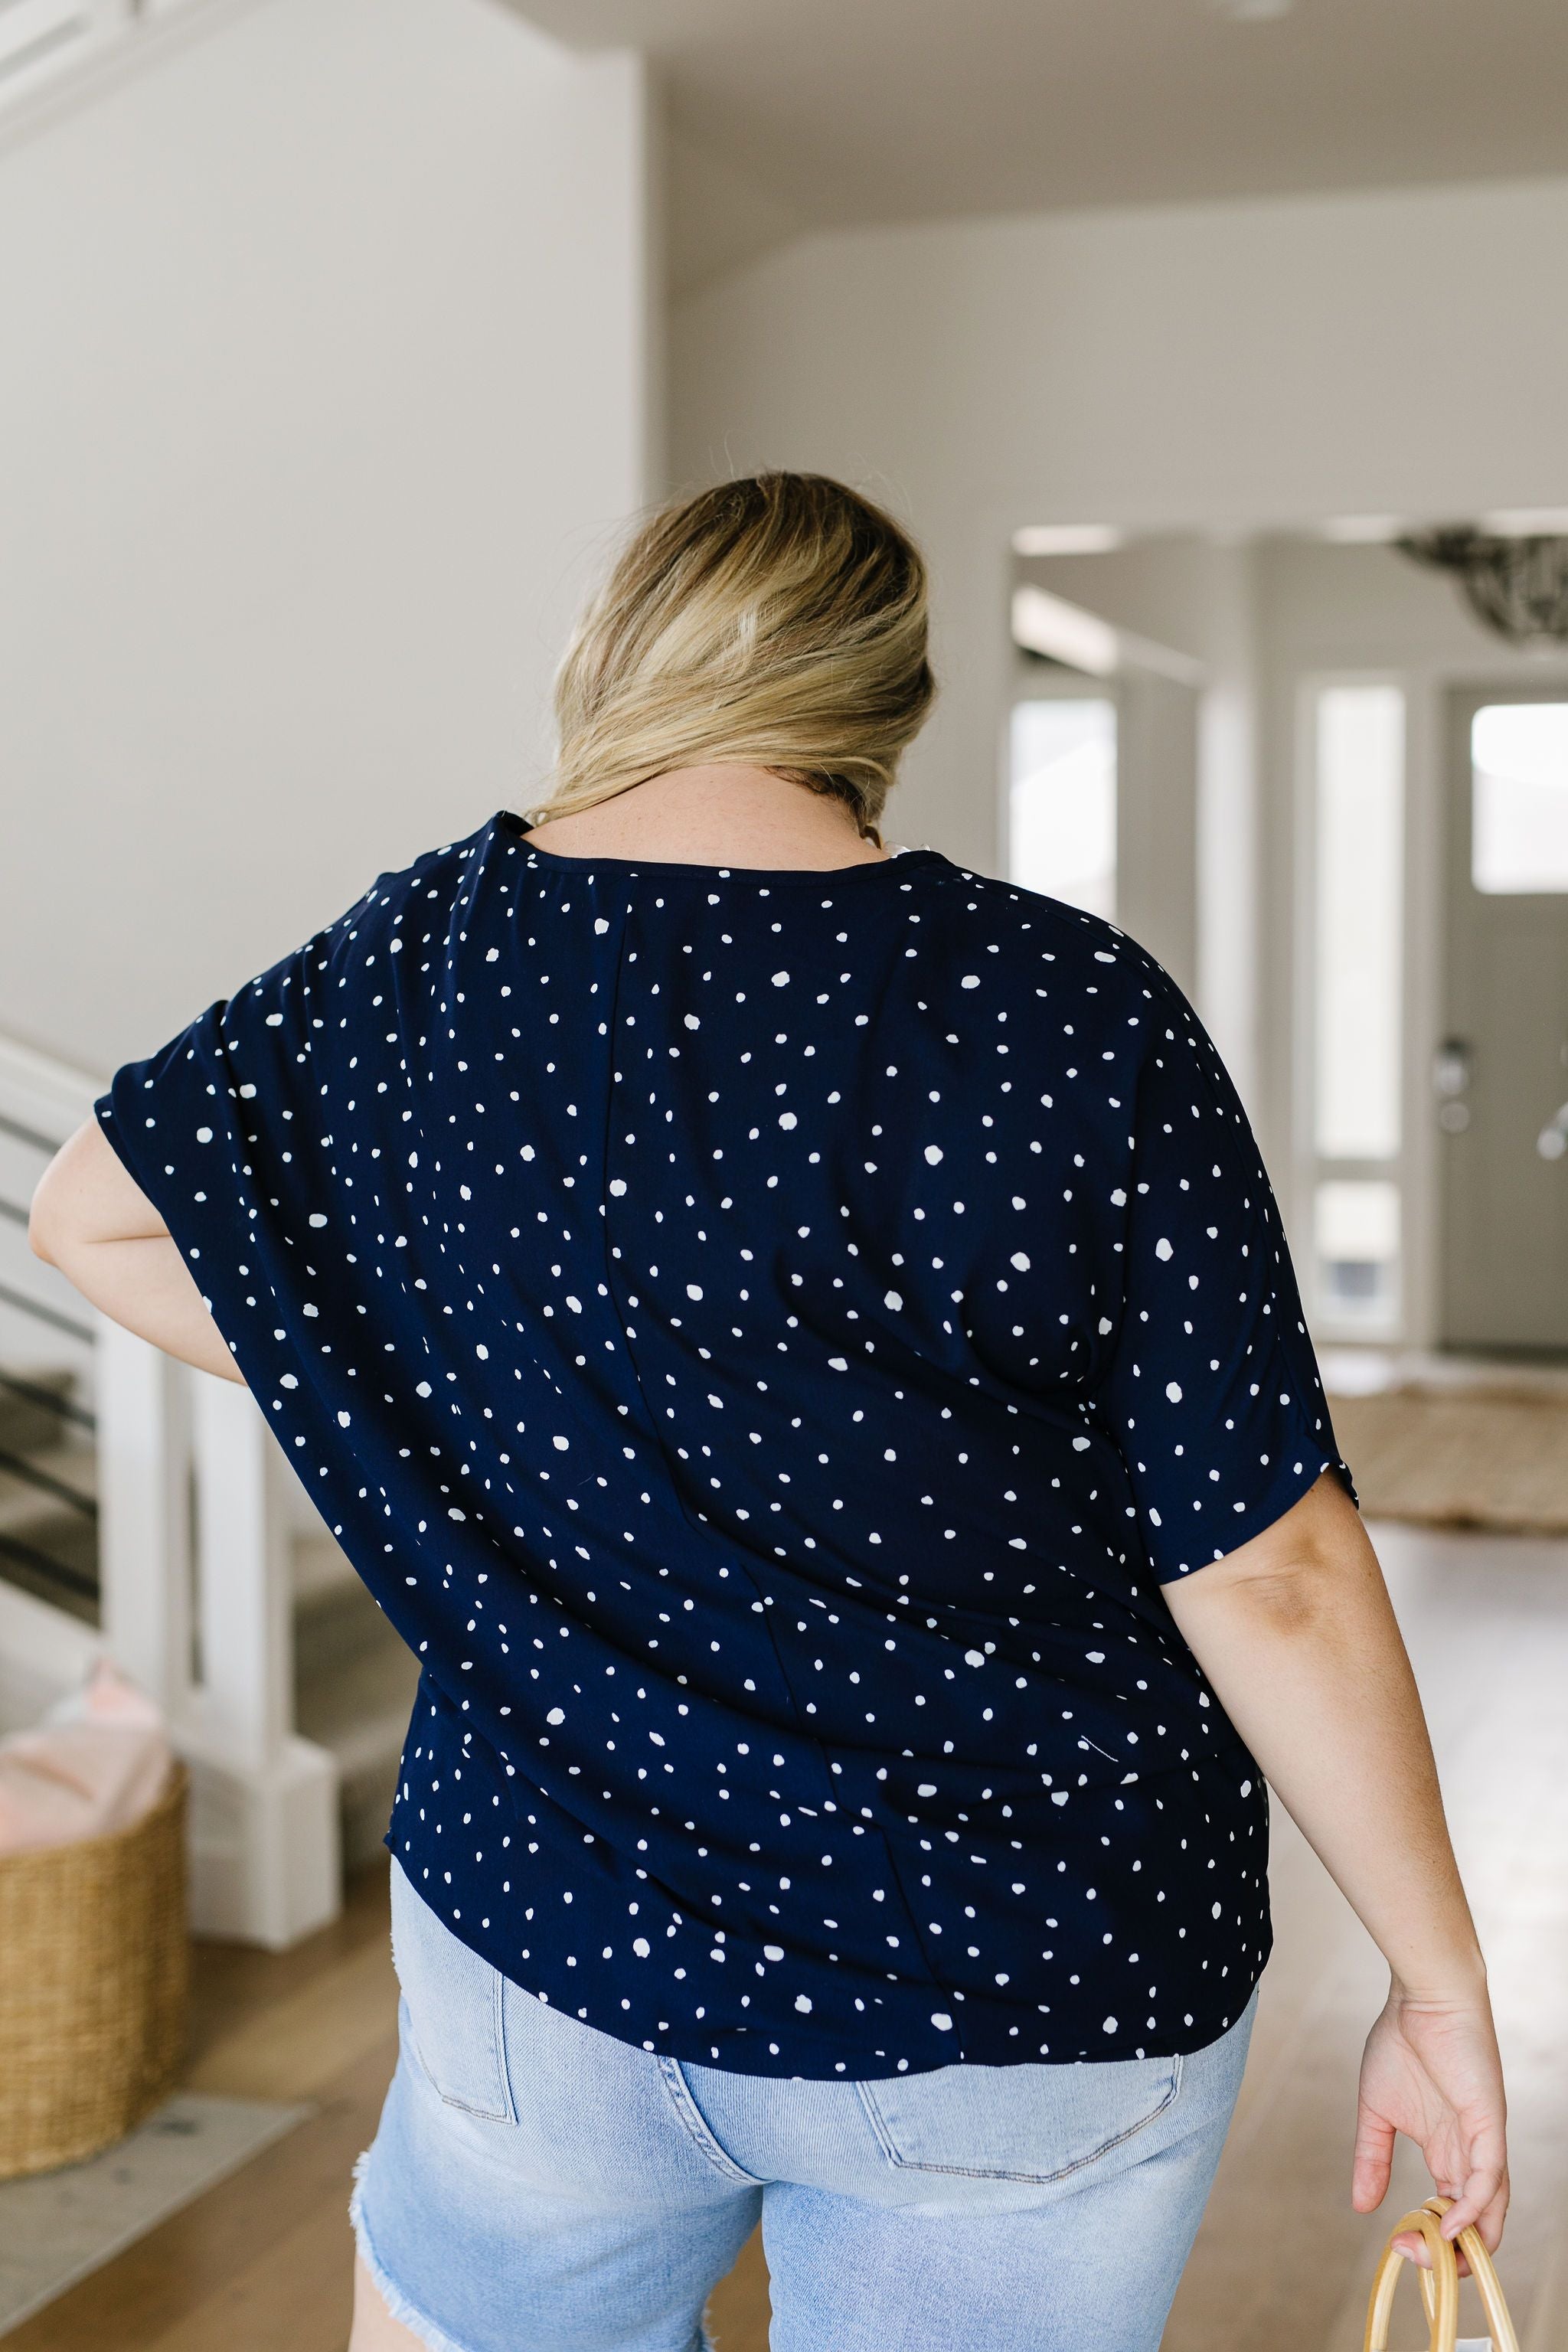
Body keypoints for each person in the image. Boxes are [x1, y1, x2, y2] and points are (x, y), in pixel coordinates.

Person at [30, 472, 1506, 2352]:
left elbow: (89, 1210)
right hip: (1010, 1973)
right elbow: (1270, 1566)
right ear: (882, 701)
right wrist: (1437, 1982)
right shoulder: (1063, 1008)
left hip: (545, 1950)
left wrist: (438, 1359)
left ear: (620, 655)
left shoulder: (418, 961)